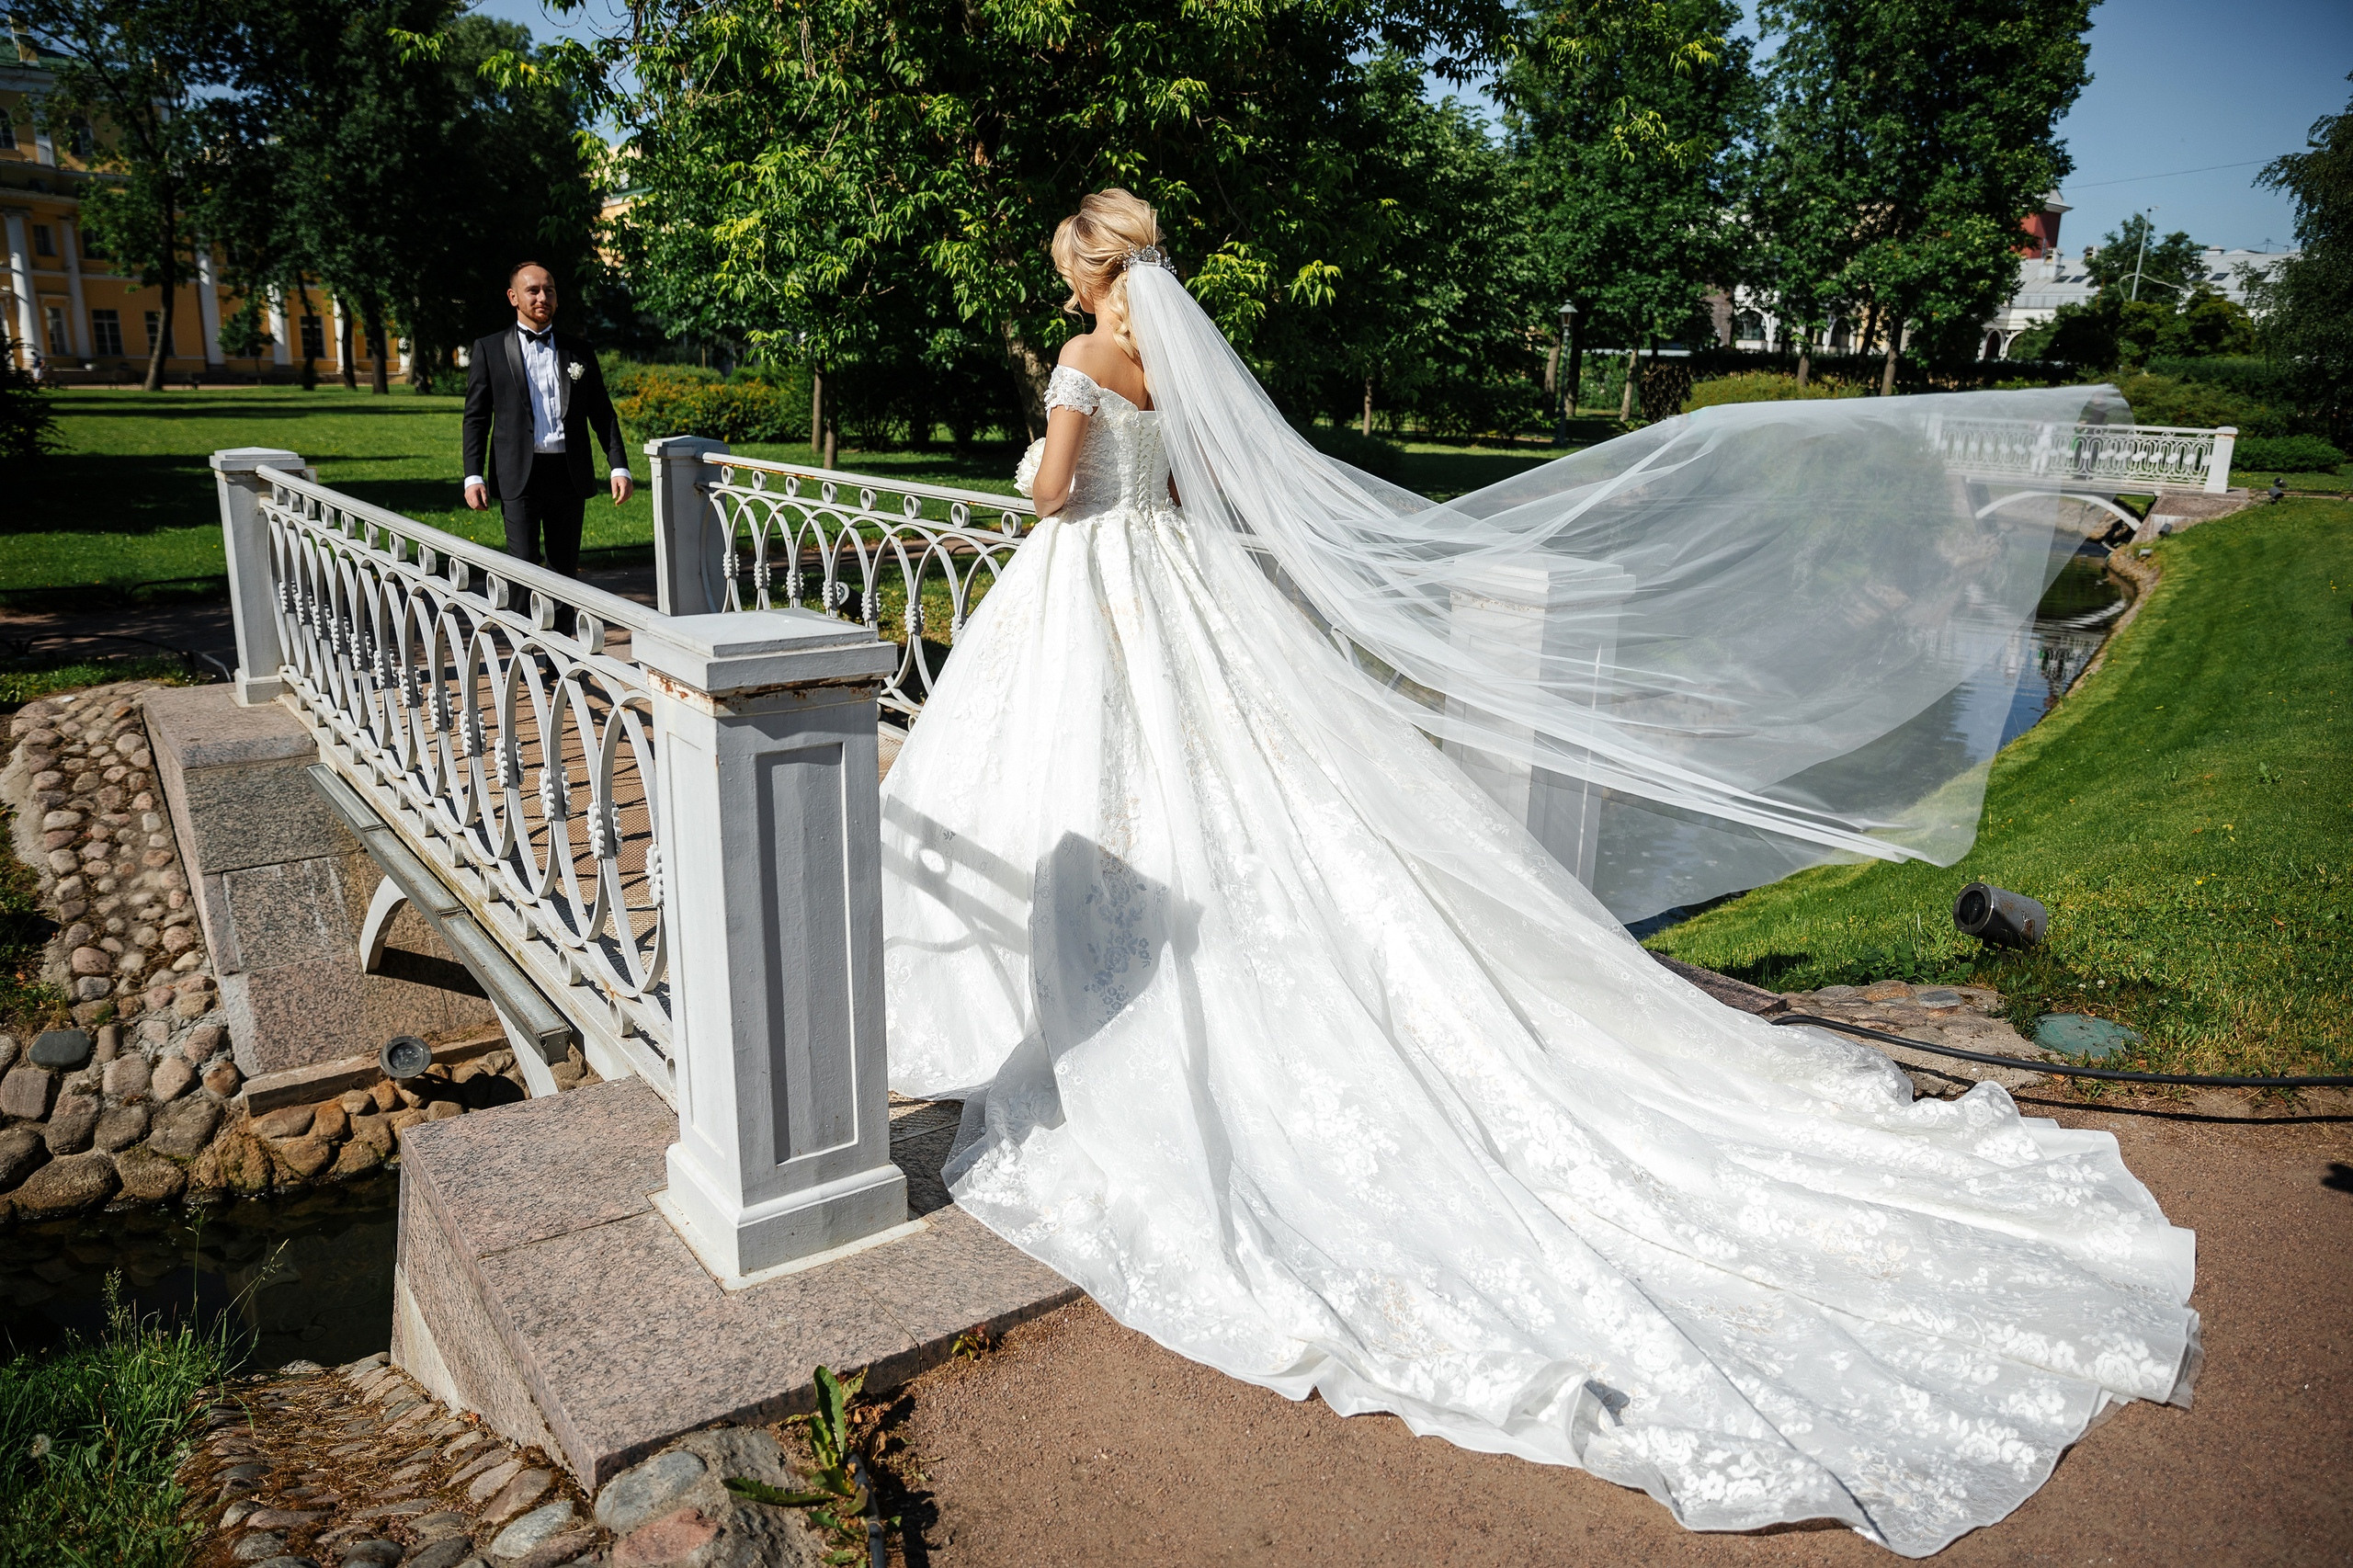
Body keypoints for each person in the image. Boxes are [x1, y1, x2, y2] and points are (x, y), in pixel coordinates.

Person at [878, 190, 2199, 1558]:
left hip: (1091, 583)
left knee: (1091, 797)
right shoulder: (1175, 365)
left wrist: (1041, 468)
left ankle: (1074, 986)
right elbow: (1203, 492)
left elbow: (1049, 493)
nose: (1072, 293)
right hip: (1182, 590)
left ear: (1086, 276)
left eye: (1067, 275)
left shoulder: (1088, 365)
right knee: (1231, 800)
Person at [461, 262, 632, 586]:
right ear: (513, 297)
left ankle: (563, 637)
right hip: (518, 474)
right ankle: (527, 636)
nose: (543, 297)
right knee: (523, 571)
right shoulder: (490, 349)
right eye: (533, 290)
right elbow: (476, 418)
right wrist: (473, 475)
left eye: (549, 291)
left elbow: (601, 412)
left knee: (565, 574)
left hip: (568, 472)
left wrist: (618, 467)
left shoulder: (578, 350)